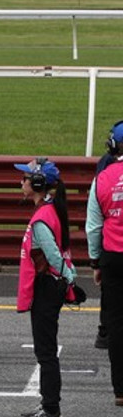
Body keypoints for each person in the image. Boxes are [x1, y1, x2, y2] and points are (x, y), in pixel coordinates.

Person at [15, 159, 77, 417]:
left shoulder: (42, 218)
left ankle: (51, 410)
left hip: (47, 287)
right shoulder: (51, 209)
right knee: (46, 349)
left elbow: (52, 254)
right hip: (51, 286)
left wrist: (70, 278)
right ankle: (48, 404)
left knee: (45, 351)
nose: (21, 182)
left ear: (37, 184)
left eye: (25, 178)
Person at [87, 135, 123, 407]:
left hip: (113, 257)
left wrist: (95, 262)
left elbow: (94, 227)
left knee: (116, 324)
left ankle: (121, 390)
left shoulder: (102, 178)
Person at [92, 121, 123, 349]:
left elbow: (93, 223)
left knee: (112, 301)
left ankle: (106, 334)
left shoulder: (104, 172)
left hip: (111, 250)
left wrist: (95, 261)